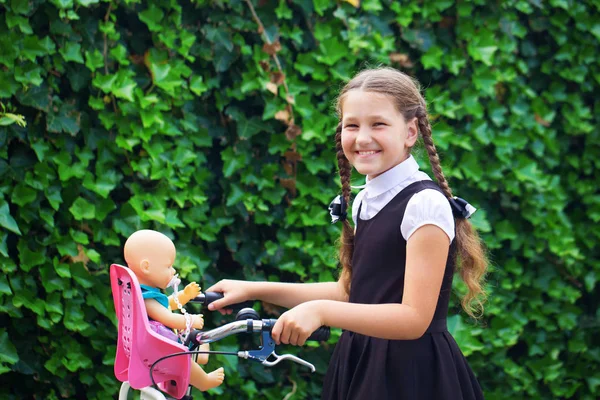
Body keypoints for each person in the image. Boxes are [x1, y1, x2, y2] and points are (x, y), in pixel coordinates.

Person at [207, 67, 487, 399]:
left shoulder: (424, 204)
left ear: (410, 131)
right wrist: (253, 289)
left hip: (411, 374)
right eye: (352, 125)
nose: (362, 138)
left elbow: (414, 319)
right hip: (360, 362)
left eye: (378, 124)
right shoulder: (364, 200)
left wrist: (321, 313)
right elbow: (350, 292)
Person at [124, 229, 225, 392]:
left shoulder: (143, 292)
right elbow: (166, 317)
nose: (172, 271)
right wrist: (189, 320)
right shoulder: (145, 297)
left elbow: (165, 306)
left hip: (152, 345)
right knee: (183, 359)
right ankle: (204, 381)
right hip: (155, 348)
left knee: (191, 344)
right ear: (146, 267)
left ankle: (200, 354)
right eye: (168, 266)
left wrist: (184, 295)